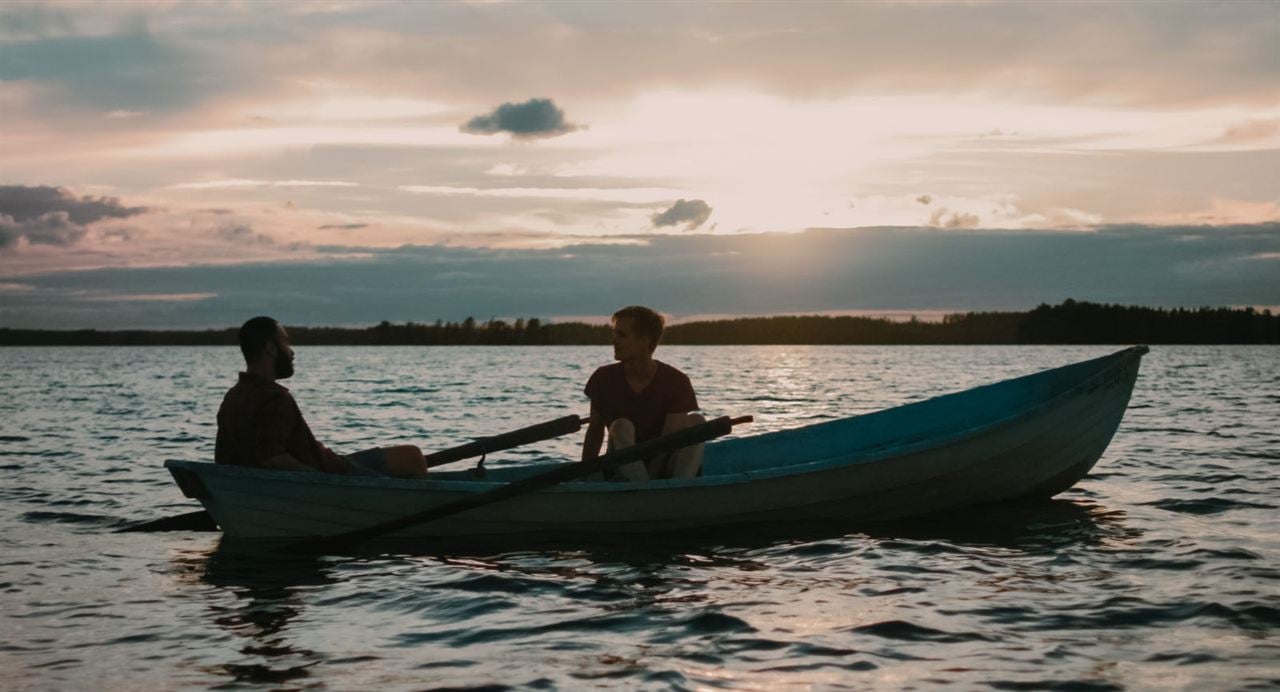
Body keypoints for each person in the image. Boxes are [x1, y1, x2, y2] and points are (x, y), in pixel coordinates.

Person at [215, 316, 427, 478]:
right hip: (330, 473)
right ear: (271, 349)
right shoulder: (274, 398)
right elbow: (273, 458)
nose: (291, 352)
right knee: (413, 457)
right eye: (286, 344)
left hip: (325, 463)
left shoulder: (233, 396)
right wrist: (319, 480)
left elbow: (223, 458)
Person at [580, 305, 706, 480]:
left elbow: (668, 444)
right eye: (614, 334)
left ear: (644, 341)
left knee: (697, 422)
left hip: (665, 470)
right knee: (621, 426)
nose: (614, 340)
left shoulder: (676, 381)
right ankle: (646, 492)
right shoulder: (603, 378)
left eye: (621, 335)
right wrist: (585, 476)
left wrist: (653, 478)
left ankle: (677, 490)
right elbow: (594, 433)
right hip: (621, 469)